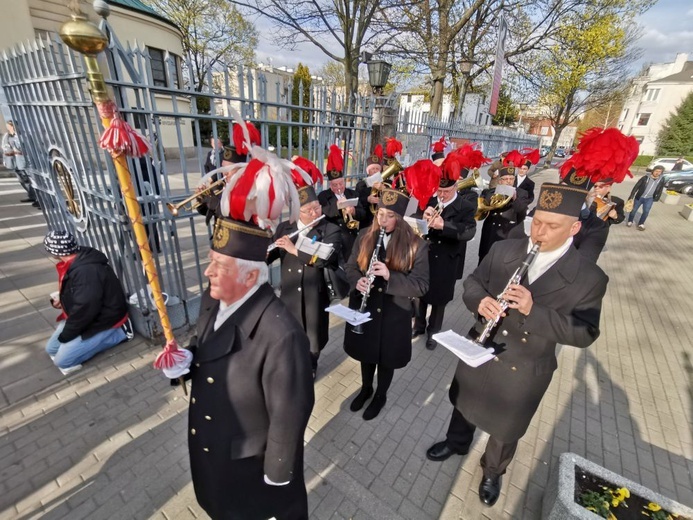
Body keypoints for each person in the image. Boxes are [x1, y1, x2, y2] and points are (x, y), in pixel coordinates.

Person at [426, 182, 608, 507]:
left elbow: (584, 332)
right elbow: (473, 282)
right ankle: (457, 442)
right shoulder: (505, 249)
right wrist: (479, 301)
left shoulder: (588, 277)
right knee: (465, 400)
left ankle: (493, 470)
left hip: (523, 366)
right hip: (481, 348)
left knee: (505, 426)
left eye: (552, 226)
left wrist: (532, 311)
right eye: (537, 221)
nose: (539, 231)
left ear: (575, 227)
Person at [166, 139, 315, 519]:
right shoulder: (213, 298)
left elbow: (290, 414)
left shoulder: (281, 335)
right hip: (214, 448)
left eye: (219, 265)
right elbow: (207, 344)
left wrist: (277, 479)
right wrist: (186, 358)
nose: (208, 271)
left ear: (251, 276)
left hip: (249, 468)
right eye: (210, 260)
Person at [343, 187, 429, 420]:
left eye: (390, 216)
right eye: (380, 214)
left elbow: (421, 285)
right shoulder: (364, 235)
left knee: (386, 357)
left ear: (400, 219)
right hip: (366, 306)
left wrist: (391, 276)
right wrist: (357, 280)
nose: (383, 220)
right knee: (366, 352)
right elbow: (350, 266)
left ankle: (380, 394)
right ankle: (366, 388)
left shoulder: (416, 245)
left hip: (394, 312)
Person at [267, 171, 341, 379]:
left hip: (314, 293)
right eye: (309, 210)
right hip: (290, 291)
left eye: (317, 207)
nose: (316, 213)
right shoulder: (285, 227)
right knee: (290, 332)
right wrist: (265, 252)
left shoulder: (331, 229)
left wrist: (294, 249)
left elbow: (324, 259)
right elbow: (271, 254)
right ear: (298, 212)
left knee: (313, 335)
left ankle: (311, 365)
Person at [44, 230, 133, 375]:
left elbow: (85, 309)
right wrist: (62, 301)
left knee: (63, 361)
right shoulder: (76, 261)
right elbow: (81, 296)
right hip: (89, 314)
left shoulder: (86, 271)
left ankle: (122, 332)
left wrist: (68, 334)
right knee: (51, 349)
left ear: (55, 252)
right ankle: (83, 343)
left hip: (103, 319)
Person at [413, 160, 477, 350]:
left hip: (447, 259)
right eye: (439, 191)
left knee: (439, 299)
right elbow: (415, 221)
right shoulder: (431, 201)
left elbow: (469, 232)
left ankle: (433, 331)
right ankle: (419, 326)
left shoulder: (465, 206)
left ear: (455, 187)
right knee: (420, 293)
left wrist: (444, 225)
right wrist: (422, 218)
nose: (441, 195)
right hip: (425, 256)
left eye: (446, 192)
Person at [318, 145, 367, 265]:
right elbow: (324, 214)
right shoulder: (323, 196)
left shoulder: (352, 193)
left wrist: (354, 211)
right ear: (330, 185)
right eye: (335, 185)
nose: (339, 187)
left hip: (350, 237)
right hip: (333, 237)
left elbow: (363, 214)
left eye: (341, 183)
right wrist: (338, 206)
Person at [477, 165, 530, 263]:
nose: (509, 181)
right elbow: (483, 206)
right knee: (484, 260)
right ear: (500, 181)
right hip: (490, 233)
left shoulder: (522, 193)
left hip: (507, 234)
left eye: (511, 179)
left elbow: (521, 210)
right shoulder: (490, 192)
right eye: (505, 179)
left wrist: (515, 198)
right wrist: (499, 193)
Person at [2, 120, 38, 207]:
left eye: (10, 126)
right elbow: (4, 147)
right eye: (8, 126)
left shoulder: (21, 135)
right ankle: (31, 196)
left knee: (32, 180)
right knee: (22, 180)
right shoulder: (7, 136)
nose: (8, 128)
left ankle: (38, 198)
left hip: (24, 161)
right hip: (13, 161)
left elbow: (22, 147)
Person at [626, 165, 665, 230]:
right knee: (633, 210)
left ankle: (641, 223)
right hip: (640, 197)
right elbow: (636, 186)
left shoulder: (661, 179)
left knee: (646, 211)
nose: (657, 173)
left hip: (649, 198)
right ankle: (630, 221)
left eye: (659, 171)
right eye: (656, 171)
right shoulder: (645, 177)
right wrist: (631, 196)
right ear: (653, 171)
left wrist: (657, 197)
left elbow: (660, 189)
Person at [354, 144, 383, 230]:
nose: (374, 171)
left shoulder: (386, 183)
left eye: (377, 169)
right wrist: (367, 199)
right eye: (372, 169)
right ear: (368, 171)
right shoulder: (361, 184)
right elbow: (357, 201)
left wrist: (384, 189)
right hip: (367, 220)